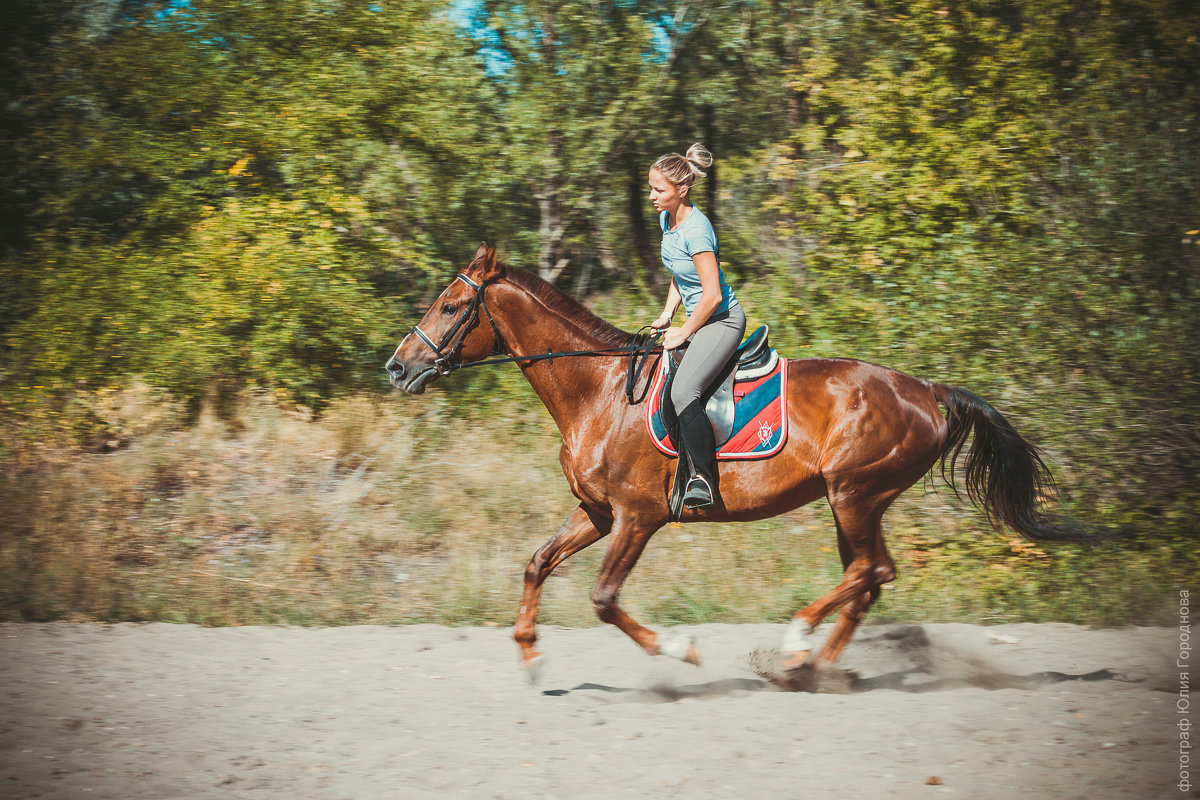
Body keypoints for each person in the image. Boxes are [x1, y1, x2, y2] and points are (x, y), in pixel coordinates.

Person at [648, 144, 747, 508]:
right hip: (696, 317)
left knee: (683, 391)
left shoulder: (697, 231)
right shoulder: (667, 220)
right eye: (651, 188)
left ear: (682, 191)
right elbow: (679, 274)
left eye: (659, 190)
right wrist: (667, 315)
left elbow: (713, 296)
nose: (652, 196)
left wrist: (684, 331)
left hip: (721, 321)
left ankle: (705, 480)